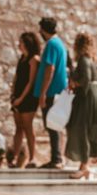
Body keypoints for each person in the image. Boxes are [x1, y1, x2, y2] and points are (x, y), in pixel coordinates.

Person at [65, 33, 97, 179]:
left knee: (81, 130)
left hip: (86, 98)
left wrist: (74, 82)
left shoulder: (83, 60)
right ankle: (94, 152)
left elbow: (85, 79)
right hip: (93, 96)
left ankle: (84, 166)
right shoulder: (91, 59)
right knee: (87, 129)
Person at [33, 17, 68, 169]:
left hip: (51, 91)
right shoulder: (59, 43)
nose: (39, 32)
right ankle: (57, 158)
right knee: (55, 125)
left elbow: (50, 68)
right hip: (58, 91)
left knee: (52, 125)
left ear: (43, 29)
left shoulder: (51, 44)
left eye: (40, 29)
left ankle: (56, 159)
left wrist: (43, 93)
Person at [10, 32, 40, 168]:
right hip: (17, 97)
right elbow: (17, 78)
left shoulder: (34, 60)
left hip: (28, 98)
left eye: (21, 42)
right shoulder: (22, 58)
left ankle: (32, 158)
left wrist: (21, 98)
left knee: (28, 127)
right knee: (18, 128)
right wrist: (13, 94)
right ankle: (15, 158)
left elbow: (31, 81)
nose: (19, 45)